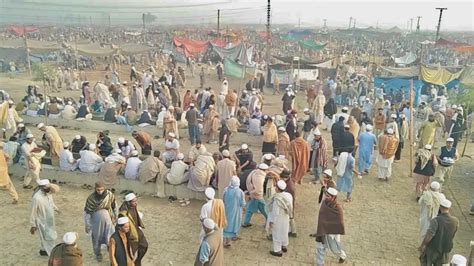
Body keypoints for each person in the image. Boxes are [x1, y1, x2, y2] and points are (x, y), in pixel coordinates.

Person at [418, 199, 459, 266]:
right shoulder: (455, 221)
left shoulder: (436, 220)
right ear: (449, 208)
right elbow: (453, 234)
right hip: (446, 249)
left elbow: (430, 235)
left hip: (433, 248)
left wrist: (423, 245)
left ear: (440, 207)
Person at [84, 181, 117, 262]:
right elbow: (87, 212)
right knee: (96, 237)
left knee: (110, 236)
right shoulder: (91, 198)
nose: (100, 191)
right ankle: (98, 253)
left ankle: (112, 253)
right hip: (96, 223)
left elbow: (114, 206)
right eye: (98, 190)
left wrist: (115, 216)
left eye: (102, 189)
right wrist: (87, 225)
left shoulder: (109, 195)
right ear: (95, 189)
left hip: (108, 220)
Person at [315, 187, 347, 265]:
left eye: (328, 196)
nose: (326, 197)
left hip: (332, 232)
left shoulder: (337, 208)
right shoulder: (324, 203)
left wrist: (329, 227)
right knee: (320, 247)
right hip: (322, 230)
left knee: (334, 247)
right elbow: (322, 216)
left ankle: (342, 255)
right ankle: (320, 263)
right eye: (326, 195)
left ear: (333, 197)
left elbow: (339, 222)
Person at [30, 179, 58, 256]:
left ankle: (43, 250)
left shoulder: (48, 193)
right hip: (42, 220)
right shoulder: (36, 198)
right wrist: (33, 225)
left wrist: (56, 209)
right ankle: (50, 252)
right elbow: (33, 212)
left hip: (50, 218)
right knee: (46, 236)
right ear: (41, 188)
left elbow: (51, 203)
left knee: (50, 234)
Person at [119, 193, 148, 266]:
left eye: (136, 201)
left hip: (138, 231)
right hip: (131, 236)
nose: (136, 203)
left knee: (144, 246)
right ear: (129, 203)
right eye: (134, 201)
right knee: (130, 254)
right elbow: (121, 227)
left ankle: (137, 262)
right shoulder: (123, 213)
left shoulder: (134, 207)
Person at [268, 180, 293, 257]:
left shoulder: (277, 199)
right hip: (285, 217)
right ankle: (284, 246)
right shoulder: (289, 195)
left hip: (278, 219)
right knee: (285, 231)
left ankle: (278, 251)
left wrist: (271, 221)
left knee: (276, 234)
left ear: (278, 188)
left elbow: (275, 212)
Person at [222, 176, 245, 247]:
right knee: (235, 223)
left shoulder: (226, 190)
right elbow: (243, 203)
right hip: (237, 212)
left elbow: (223, 199)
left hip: (227, 210)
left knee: (227, 225)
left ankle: (227, 240)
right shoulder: (240, 192)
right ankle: (228, 241)